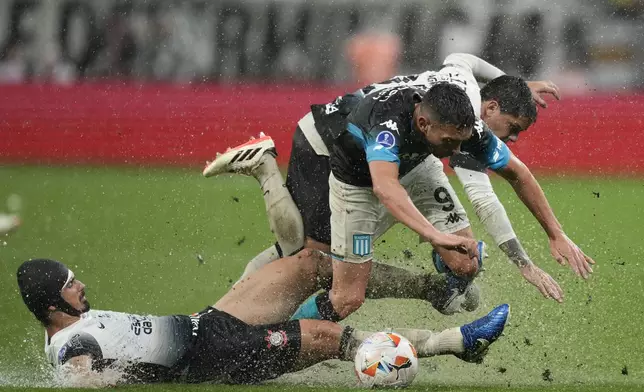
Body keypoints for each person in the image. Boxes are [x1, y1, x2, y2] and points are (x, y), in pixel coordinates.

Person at [204, 54, 593, 313]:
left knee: (467, 260)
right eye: (513, 127)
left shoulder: (464, 117)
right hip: (330, 148)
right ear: (426, 124)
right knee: (309, 258)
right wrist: (434, 235)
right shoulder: (388, 126)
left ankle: (436, 283)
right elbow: (385, 189)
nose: (458, 153)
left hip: (411, 159)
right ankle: (264, 170)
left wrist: (555, 234)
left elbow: (518, 172)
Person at [16, 252, 509, 387]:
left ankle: (436, 290)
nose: (80, 286)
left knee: (308, 265)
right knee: (329, 337)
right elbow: (79, 378)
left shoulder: (77, 320)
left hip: (204, 325)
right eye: (70, 283)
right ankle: (457, 342)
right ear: (51, 302)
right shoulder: (68, 344)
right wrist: (122, 380)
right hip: (210, 357)